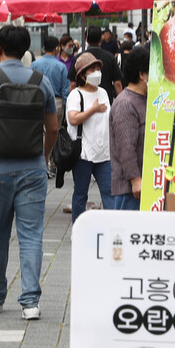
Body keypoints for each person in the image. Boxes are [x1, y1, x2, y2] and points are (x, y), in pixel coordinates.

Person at [0, 26, 58, 320]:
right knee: (31, 236)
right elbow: (53, 127)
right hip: (32, 170)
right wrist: (43, 156)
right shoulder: (40, 81)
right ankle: (30, 302)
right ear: (26, 49)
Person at [67, 53, 112, 222]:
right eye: (92, 69)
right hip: (83, 153)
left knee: (109, 191)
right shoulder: (76, 95)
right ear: (82, 74)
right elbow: (72, 118)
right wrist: (92, 109)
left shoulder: (103, 92)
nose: (97, 72)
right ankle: (77, 229)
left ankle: (112, 228)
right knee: (81, 193)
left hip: (104, 152)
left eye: (98, 68)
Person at [108, 46, 149, 211]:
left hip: (143, 186)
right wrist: (135, 179)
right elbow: (126, 147)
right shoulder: (126, 103)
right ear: (141, 74)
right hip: (130, 190)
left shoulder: (145, 99)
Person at [68, 25, 123, 102]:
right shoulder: (110, 57)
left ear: (86, 40)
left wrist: (71, 102)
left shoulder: (79, 58)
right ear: (101, 38)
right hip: (105, 101)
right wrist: (120, 102)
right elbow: (117, 83)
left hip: (83, 102)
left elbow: (73, 84)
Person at [31, 37, 70, 124]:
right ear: (57, 49)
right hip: (57, 103)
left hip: (37, 101)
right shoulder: (61, 67)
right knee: (54, 133)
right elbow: (65, 90)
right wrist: (67, 109)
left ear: (44, 48)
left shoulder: (34, 65)